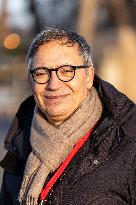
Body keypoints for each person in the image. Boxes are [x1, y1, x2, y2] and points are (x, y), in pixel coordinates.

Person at [0, 27, 136, 205]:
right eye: (41, 73)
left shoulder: (128, 141)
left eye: (66, 71)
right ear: (30, 81)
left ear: (88, 76)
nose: (53, 84)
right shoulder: (20, 142)